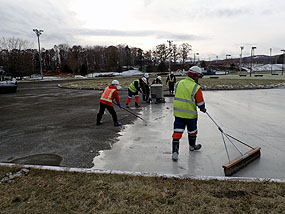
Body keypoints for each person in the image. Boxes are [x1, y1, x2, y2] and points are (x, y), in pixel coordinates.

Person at [171, 66, 207, 161]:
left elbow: (181, 95)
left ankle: (175, 152)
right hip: (190, 116)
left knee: (177, 132)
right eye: (198, 76)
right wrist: (202, 108)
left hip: (178, 114)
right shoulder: (196, 87)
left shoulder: (178, 84)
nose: (198, 79)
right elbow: (200, 102)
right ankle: (192, 146)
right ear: (195, 76)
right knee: (192, 131)